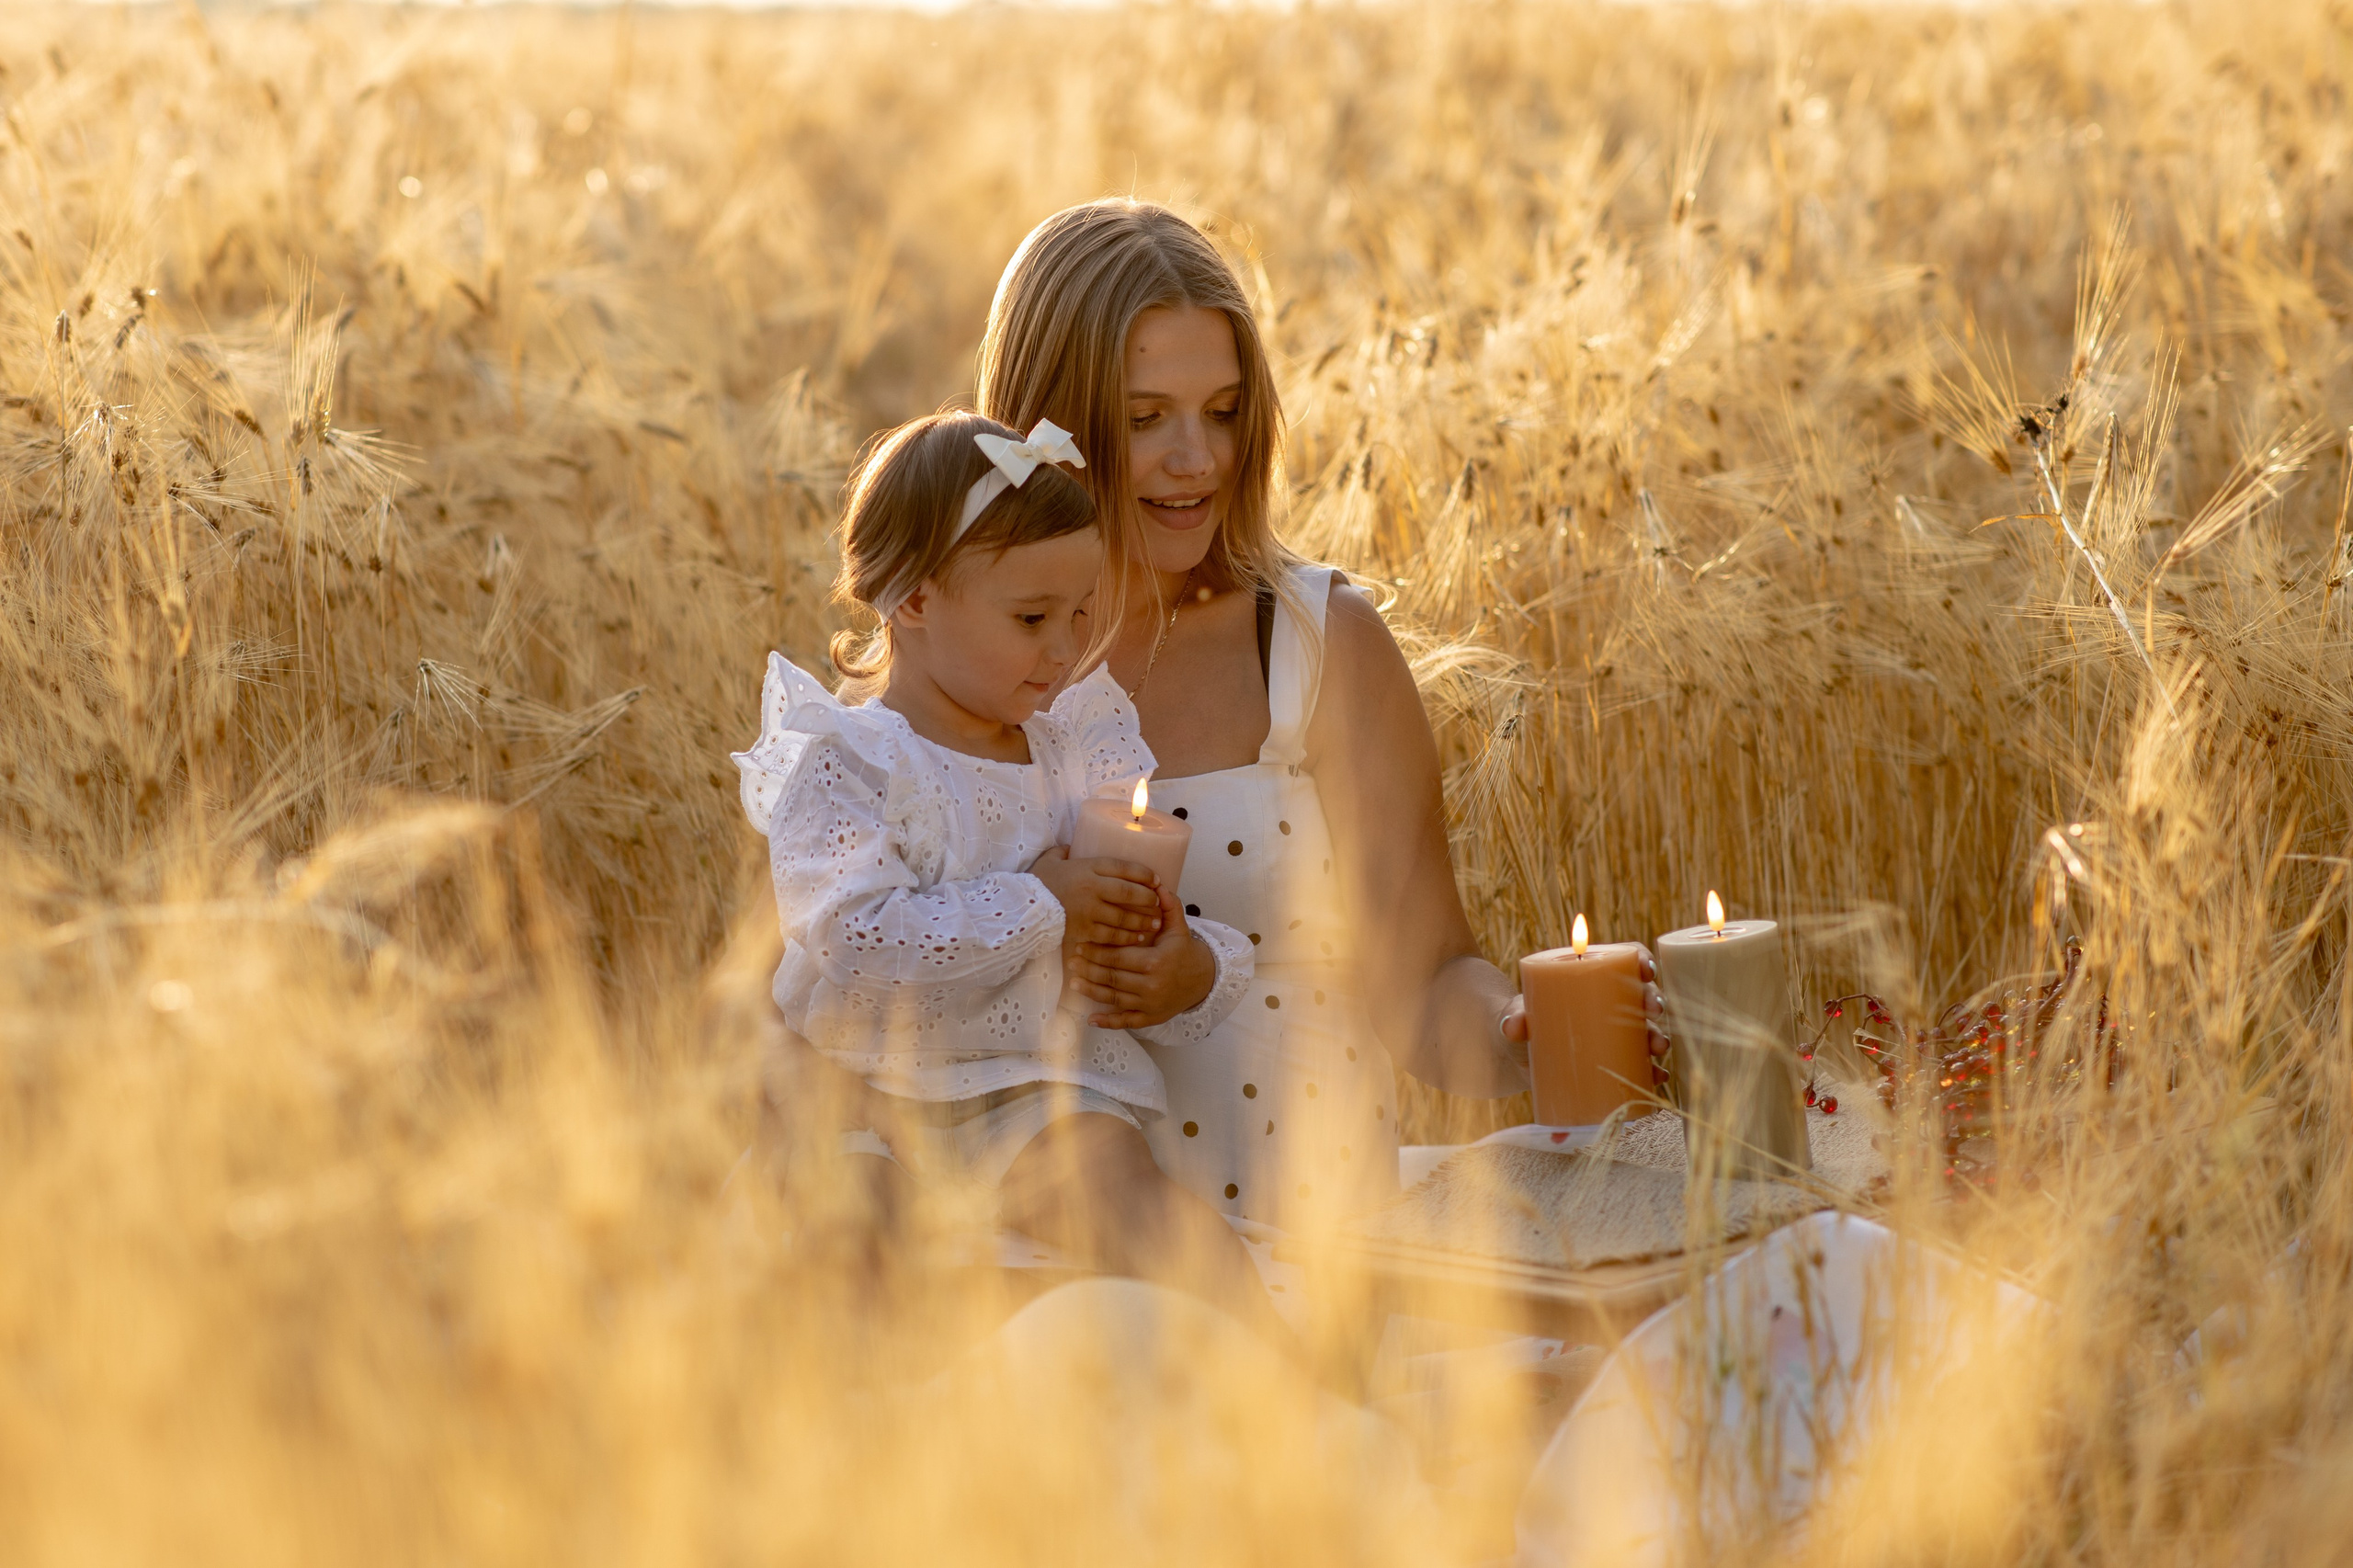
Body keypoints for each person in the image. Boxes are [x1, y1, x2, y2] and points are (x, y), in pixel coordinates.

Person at [975, 200, 1668, 1232]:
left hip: (1327, 1244)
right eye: (1144, 416)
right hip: (1071, 1264)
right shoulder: (968, 662)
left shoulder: (1313, 644)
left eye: (1221, 411)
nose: (1196, 458)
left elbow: (1424, 982)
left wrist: (1528, 1032)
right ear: (1050, 424)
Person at [731, 409, 1293, 1346]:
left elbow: (1136, 916)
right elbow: (859, 938)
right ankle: (878, 1428)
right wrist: (1043, 901)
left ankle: (1288, 1381)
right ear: (911, 599)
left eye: (1080, 614)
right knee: (850, 1225)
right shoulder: (847, 760)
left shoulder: (1074, 751)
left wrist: (1180, 965)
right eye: (1032, 618)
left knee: (1135, 1192)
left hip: (1039, 1086)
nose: (1065, 649)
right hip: (863, 1081)